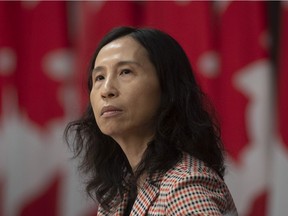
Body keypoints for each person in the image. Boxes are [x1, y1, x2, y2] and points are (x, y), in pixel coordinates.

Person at [65, 26, 238, 216]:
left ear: (168, 88)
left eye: (125, 72)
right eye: (99, 77)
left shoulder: (185, 187)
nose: (106, 90)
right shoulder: (119, 195)